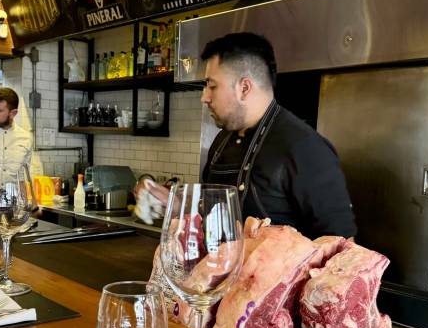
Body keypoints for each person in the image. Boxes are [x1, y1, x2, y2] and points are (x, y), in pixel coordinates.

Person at [137, 32, 356, 239]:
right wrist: (174, 205)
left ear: (244, 88)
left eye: (212, 86)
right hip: (220, 275)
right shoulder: (222, 141)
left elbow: (342, 248)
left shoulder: (306, 148)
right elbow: (210, 216)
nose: (204, 97)